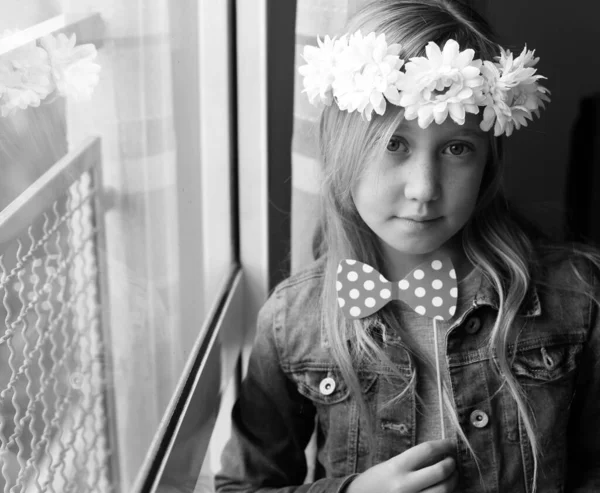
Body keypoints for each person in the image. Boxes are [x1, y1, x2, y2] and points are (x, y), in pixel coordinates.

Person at [215, 0, 600, 491]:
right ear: (342, 147)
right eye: (394, 144)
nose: (423, 188)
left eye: (457, 148)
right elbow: (242, 486)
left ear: (488, 162)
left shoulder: (577, 298)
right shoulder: (294, 321)